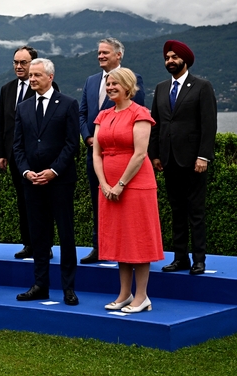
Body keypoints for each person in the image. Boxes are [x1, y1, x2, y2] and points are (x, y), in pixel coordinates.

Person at [93, 68, 164, 313]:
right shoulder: (102, 115)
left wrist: (121, 184)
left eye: (115, 84)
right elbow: (96, 153)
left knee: (138, 240)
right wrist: (103, 183)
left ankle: (142, 296)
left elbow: (140, 153)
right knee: (120, 241)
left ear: (127, 86)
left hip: (135, 185)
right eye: (108, 83)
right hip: (109, 187)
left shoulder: (140, 113)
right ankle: (124, 294)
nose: (110, 87)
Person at [13, 58, 80, 306]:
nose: (31, 79)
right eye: (30, 75)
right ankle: (40, 285)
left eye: (36, 75)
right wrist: (25, 172)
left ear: (50, 77)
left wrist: (53, 171)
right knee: (38, 236)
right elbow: (18, 146)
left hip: (60, 182)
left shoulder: (68, 104)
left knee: (65, 235)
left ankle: (68, 288)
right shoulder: (23, 107)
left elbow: (72, 144)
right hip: (32, 182)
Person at [149, 40, 217, 275]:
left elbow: (209, 125)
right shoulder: (160, 88)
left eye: (174, 57)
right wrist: (155, 155)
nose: (170, 61)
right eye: (167, 58)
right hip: (168, 160)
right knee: (176, 211)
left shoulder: (202, 86)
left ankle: (199, 259)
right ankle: (180, 258)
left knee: (195, 212)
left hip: (193, 161)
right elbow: (155, 125)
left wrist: (203, 156)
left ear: (185, 60)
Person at [78, 38, 145, 264]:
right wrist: (89, 137)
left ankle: (124, 250)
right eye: (98, 52)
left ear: (119, 55)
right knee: (100, 202)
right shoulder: (90, 81)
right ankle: (100, 248)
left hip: (124, 157)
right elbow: (82, 113)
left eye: (105, 52)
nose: (100, 56)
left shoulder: (132, 79)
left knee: (125, 205)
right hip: (95, 154)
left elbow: (136, 113)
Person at [0, 46, 57, 259]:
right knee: (23, 201)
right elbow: (3, 123)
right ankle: (28, 244)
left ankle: (45, 245)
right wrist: (1, 153)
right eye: (16, 62)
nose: (19, 66)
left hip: (40, 155)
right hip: (15, 156)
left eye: (23, 62)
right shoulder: (7, 89)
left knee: (43, 202)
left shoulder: (46, 86)